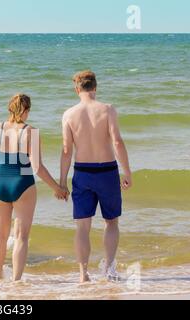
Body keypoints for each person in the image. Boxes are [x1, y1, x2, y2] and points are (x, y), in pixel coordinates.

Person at [0, 93, 65, 284]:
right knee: (21, 237)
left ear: (10, 108)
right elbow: (37, 168)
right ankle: (17, 282)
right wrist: (56, 188)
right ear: (25, 110)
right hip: (22, 184)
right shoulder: (30, 132)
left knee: (1, 235)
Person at [60, 71, 132, 283]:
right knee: (111, 222)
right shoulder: (107, 109)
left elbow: (66, 150)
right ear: (95, 87)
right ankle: (109, 270)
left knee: (82, 226)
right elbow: (117, 142)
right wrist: (126, 171)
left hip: (82, 172)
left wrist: (62, 182)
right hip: (107, 172)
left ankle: (83, 274)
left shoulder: (69, 114)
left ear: (77, 89)